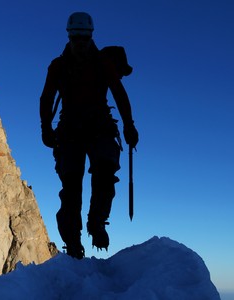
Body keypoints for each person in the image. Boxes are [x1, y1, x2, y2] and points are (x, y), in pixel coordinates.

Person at [40, 12, 139, 259]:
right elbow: (47, 97)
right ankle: (74, 242)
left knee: (101, 176)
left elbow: (118, 93)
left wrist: (129, 125)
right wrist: (45, 128)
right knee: (72, 187)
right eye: (77, 38)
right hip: (80, 130)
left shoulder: (96, 63)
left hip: (90, 128)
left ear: (90, 36)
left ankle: (96, 224)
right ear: (70, 37)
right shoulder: (60, 66)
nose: (81, 43)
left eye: (84, 38)